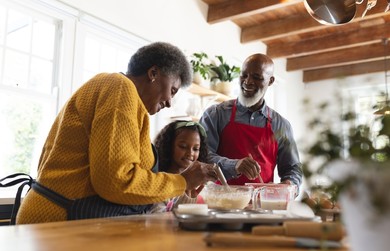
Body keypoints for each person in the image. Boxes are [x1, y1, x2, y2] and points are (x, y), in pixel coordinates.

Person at [15, 42, 218, 224]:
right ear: (153, 73)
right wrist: (181, 182)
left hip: (63, 219)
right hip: (56, 223)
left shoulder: (124, 99)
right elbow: (116, 181)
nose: (169, 102)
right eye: (172, 90)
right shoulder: (120, 88)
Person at [199, 53, 302, 190]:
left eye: (257, 77)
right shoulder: (215, 114)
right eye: (244, 75)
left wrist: (289, 185)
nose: (247, 82)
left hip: (262, 205)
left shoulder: (281, 126)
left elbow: (292, 168)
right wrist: (234, 165)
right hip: (221, 202)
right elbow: (202, 156)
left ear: (270, 81)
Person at [153, 120, 208, 211]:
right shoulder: (160, 182)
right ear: (169, 146)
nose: (190, 153)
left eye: (196, 149)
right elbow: (158, 217)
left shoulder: (200, 185)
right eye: (183, 146)